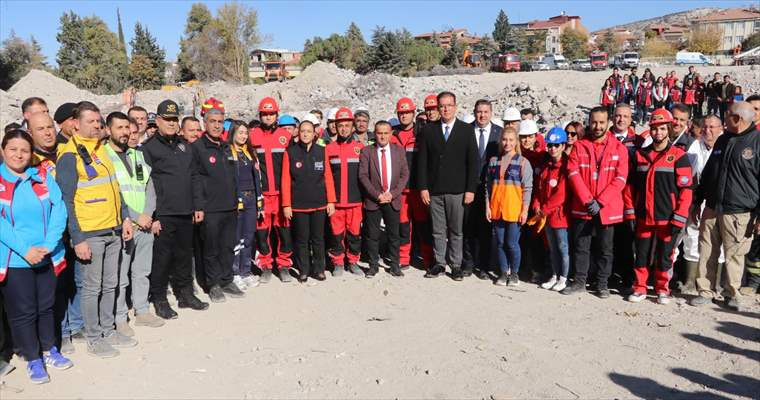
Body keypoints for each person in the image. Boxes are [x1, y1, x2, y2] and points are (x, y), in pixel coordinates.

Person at [56, 101, 136, 357]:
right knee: (91, 288)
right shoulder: (69, 156)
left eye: (98, 121)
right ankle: (93, 337)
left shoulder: (101, 149)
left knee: (110, 284)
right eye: (90, 121)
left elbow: (114, 187)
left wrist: (124, 217)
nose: (96, 125)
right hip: (90, 234)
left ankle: (108, 329)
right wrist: (77, 238)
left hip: (112, 229)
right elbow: (66, 201)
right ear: (76, 124)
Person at [0, 129, 72, 383]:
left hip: (46, 254)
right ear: (3, 150)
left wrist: (49, 244)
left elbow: (59, 208)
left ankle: (48, 348)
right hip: (16, 259)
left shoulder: (41, 176)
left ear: (31, 154)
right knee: (24, 311)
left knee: (46, 306)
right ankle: (32, 358)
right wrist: (26, 249)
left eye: (25, 150)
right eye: (13, 149)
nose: (19, 154)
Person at [141, 100, 209, 319]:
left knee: (183, 256)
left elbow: (194, 176)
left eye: (174, 119)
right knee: (162, 259)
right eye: (167, 119)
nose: (171, 123)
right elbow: (145, 185)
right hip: (163, 214)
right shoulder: (148, 148)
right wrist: (153, 216)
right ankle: (159, 298)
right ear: (158, 120)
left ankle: (185, 294)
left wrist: (198, 205)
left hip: (185, 211)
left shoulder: (184, 146)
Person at [691, 102, 760, 311]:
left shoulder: (757, 143)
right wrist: (697, 201)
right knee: (707, 251)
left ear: (737, 119)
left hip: (739, 212)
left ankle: (732, 293)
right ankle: (706, 290)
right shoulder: (723, 140)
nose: (724, 118)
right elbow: (710, 172)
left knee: (734, 255)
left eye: (727, 115)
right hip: (712, 208)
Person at [102, 111, 164, 334]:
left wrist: (148, 214)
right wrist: (136, 217)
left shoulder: (137, 155)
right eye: (119, 128)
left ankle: (142, 310)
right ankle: (119, 317)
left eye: (127, 128)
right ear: (108, 130)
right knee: (121, 275)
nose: (125, 132)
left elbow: (148, 186)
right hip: (124, 225)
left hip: (144, 225)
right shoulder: (104, 156)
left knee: (142, 271)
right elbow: (114, 193)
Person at [624, 109, 693, 304]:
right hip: (644, 216)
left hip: (667, 217)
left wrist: (679, 216)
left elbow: (686, 190)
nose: (658, 133)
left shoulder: (679, 156)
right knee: (641, 254)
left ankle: (663, 289)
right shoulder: (639, 156)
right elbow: (630, 187)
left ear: (669, 129)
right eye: (654, 129)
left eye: (662, 128)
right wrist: (630, 212)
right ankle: (639, 288)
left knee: (665, 255)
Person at [562, 106, 629, 297]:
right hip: (583, 207)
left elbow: (620, 178)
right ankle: (580, 281)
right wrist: (587, 200)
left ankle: (602, 284)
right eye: (594, 122)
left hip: (607, 208)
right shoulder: (579, 146)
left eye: (601, 122)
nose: (597, 126)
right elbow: (573, 173)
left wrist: (600, 202)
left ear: (608, 123)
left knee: (605, 249)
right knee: (581, 247)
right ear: (588, 122)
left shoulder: (619, 148)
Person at [417, 91, 479, 280]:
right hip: (435, 190)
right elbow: (422, 161)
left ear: (455, 107)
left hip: (458, 190)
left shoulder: (466, 129)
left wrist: (470, 189)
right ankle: (439, 263)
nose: (445, 109)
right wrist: (423, 187)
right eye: (442, 106)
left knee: (456, 230)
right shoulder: (429, 130)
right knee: (437, 229)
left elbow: (473, 162)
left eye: (449, 105)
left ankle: (456, 265)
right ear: (438, 108)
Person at [192, 101, 246, 301]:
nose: (216, 125)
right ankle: (213, 283)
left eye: (220, 122)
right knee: (211, 248)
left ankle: (226, 279)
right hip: (210, 208)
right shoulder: (197, 147)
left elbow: (234, 176)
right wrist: (198, 206)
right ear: (205, 123)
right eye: (212, 121)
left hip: (230, 206)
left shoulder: (226, 147)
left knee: (227, 245)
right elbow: (195, 178)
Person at [281, 121, 335, 282]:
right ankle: (304, 270)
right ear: (298, 133)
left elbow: (328, 178)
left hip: (319, 203)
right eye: (303, 131)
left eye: (309, 131)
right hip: (298, 205)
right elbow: (285, 180)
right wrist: (286, 204)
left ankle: (319, 269)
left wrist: (331, 201)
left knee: (318, 238)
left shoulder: (321, 151)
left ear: (314, 134)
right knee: (302, 239)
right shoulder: (290, 152)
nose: (305, 134)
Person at [249, 97, 294, 283]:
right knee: (262, 232)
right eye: (265, 114)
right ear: (260, 115)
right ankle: (266, 265)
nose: (268, 117)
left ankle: (284, 265)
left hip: (282, 194)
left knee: (284, 231)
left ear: (277, 114)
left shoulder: (286, 136)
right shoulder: (252, 135)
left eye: (271, 114)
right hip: (261, 194)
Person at [679, 114, 724, 295]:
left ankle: (716, 283)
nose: (708, 131)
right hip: (697, 200)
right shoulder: (694, 148)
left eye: (712, 127)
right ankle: (690, 281)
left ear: (721, 129)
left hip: (719, 202)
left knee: (718, 243)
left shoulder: (726, 146)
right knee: (692, 239)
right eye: (705, 127)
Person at [359, 120, 409, 278]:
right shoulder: (367, 151)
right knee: (372, 235)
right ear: (375, 134)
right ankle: (373, 265)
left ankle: (394, 265)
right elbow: (363, 176)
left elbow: (404, 175)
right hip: (374, 200)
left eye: (385, 133)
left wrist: (392, 194)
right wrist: (377, 194)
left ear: (391, 134)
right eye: (379, 133)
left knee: (394, 234)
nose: (382, 136)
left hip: (392, 199)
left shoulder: (399, 151)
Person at [485, 127, 533, 286]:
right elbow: (488, 187)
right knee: (499, 243)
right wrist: (488, 206)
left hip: (514, 210)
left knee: (512, 243)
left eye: (511, 140)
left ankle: (515, 273)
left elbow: (527, 189)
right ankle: (503, 272)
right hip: (497, 209)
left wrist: (525, 210)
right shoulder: (493, 161)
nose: (507, 143)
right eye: (505, 139)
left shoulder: (523, 163)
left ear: (516, 142)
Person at [391, 97, 433, 271]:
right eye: (401, 113)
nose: (404, 116)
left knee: (423, 225)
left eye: (407, 113)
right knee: (403, 226)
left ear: (413, 113)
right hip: (400, 190)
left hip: (418, 189)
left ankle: (428, 259)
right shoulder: (392, 136)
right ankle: (403, 257)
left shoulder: (422, 134)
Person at [464, 99, 502, 279]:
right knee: (468, 228)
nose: (482, 115)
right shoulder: (465, 131)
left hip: (490, 189)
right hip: (469, 188)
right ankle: (468, 264)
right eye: (479, 111)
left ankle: (485, 266)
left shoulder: (499, 133)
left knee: (486, 229)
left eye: (486, 112)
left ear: (491, 113)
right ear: (474, 112)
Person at [325, 108, 365, 276]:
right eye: (340, 125)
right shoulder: (328, 149)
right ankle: (338, 263)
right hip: (337, 202)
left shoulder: (361, 148)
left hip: (356, 201)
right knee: (336, 234)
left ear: (352, 126)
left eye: (347, 125)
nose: (343, 129)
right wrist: (330, 200)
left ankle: (353, 261)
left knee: (355, 233)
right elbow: (326, 177)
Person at [226, 120, 263, 290]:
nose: (243, 136)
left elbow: (257, 178)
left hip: (251, 200)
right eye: (240, 132)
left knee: (248, 237)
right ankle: (234, 273)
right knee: (236, 239)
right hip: (237, 200)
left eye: (245, 133)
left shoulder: (250, 153)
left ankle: (246, 271)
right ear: (233, 133)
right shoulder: (227, 153)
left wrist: (259, 200)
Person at [533, 127, 570, 291]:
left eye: (556, 145)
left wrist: (545, 209)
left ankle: (564, 277)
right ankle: (554, 275)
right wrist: (536, 205)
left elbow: (560, 194)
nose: (552, 149)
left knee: (562, 247)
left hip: (559, 216)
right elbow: (539, 189)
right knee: (552, 247)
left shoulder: (565, 168)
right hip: (546, 216)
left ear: (563, 146)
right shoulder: (546, 167)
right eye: (550, 145)